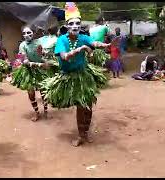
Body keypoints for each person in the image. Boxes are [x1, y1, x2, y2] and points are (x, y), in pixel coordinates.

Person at [41, 2, 110, 147]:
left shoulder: (83, 38)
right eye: (72, 23)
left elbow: (93, 43)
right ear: (67, 26)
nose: (75, 26)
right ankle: (81, 135)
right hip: (69, 76)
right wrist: (80, 50)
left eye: (78, 23)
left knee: (88, 105)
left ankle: (85, 132)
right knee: (80, 106)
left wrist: (103, 45)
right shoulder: (62, 39)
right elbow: (64, 56)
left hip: (83, 74)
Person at [11, 26, 51, 122]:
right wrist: (40, 64)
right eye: (24, 33)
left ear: (34, 32)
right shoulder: (22, 45)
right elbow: (24, 61)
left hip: (41, 72)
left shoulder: (39, 42)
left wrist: (45, 56)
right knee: (31, 93)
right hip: (28, 71)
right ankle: (37, 112)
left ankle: (46, 111)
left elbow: (43, 55)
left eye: (29, 32)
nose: (26, 35)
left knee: (43, 92)